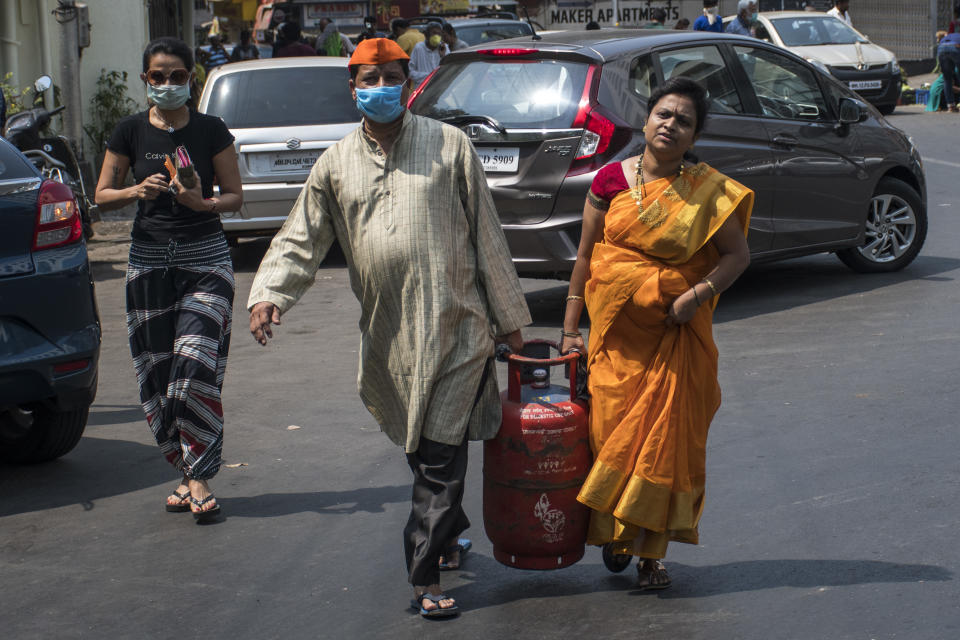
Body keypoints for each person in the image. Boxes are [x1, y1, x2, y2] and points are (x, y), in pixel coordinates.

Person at [247, 38, 530, 618]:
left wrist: (512, 324)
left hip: (459, 328)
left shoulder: (450, 146)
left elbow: (488, 238)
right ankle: (449, 530)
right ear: (353, 89)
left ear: (408, 83)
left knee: (437, 454)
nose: (381, 87)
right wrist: (270, 293)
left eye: (392, 76)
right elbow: (302, 236)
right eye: (369, 78)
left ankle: (425, 576)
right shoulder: (334, 164)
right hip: (389, 333)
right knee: (422, 444)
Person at [561, 77, 752, 589]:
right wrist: (569, 331)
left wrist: (696, 295)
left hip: (674, 339)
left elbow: (738, 256)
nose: (671, 125)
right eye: (664, 114)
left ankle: (651, 555)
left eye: (683, 121)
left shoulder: (705, 190)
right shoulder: (609, 182)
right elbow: (586, 258)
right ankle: (618, 533)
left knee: (664, 445)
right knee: (611, 440)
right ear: (646, 120)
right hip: (616, 340)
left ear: (693, 138)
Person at [93, 37, 243, 523]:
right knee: (160, 374)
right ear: (146, 80)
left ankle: (199, 476)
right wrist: (138, 188)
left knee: (194, 363)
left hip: (206, 258)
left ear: (191, 79)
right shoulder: (130, 132)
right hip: (149, 263)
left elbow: (235, 198)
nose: (169, 84)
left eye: (178, 75)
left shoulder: (211, 130)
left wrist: (200, 202)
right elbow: (102, 195)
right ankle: (184, 469)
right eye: (159, 76)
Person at [409, 23, 448, 87]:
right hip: (423, 89)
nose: (436, 36)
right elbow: (411, 72)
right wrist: (430, 76)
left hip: (440, 88)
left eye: (439, 34)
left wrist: (443, 56)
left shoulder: (444, 47)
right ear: (426, 35)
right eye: (434, 33)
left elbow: (448, 70)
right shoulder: (419, 48)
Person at [937, 30, 960, 112]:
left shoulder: (949, 37)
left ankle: (950, 106)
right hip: (955, 47)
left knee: (947, 79)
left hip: (941, 48)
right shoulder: (957, 36)